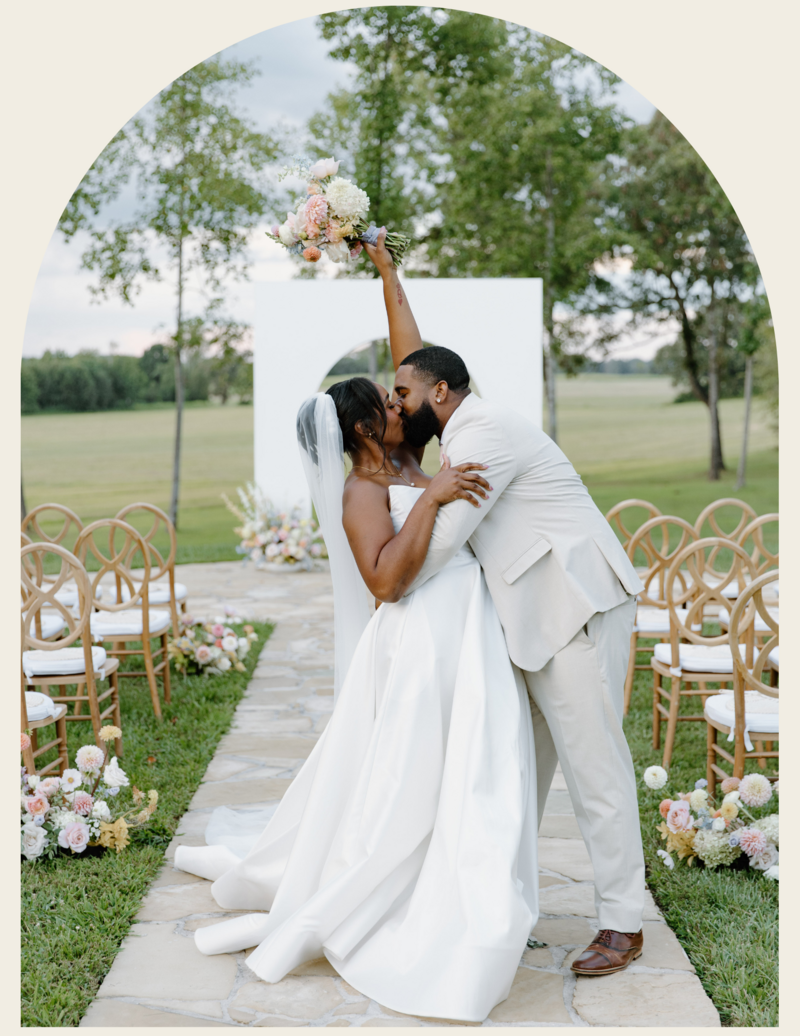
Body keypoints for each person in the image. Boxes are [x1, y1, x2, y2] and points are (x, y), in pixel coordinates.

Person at [174, 299, 540, 1019]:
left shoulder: (416, 455)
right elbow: (384, 582)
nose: (401, 399)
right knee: (413, 778)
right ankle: (403, 898)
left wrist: (386, 272)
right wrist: (432, 500)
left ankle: (476, 893)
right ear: (369, 427)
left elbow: (417, 357)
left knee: (478, 768)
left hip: (468, 634)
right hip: (417, 645)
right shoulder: (364, 490)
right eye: (389, 399)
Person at [362, 228, 649, 976]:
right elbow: (416, 360)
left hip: (574, 609)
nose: (397, 402)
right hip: (531, 623)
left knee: (597, 771)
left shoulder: (482, 428)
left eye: (405, 392)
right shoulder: (454, 429)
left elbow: (450, 536)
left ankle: (624, 921)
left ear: (442, 395)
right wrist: (387, 273)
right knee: (516, 775)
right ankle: (505, 909)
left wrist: (391, 580)